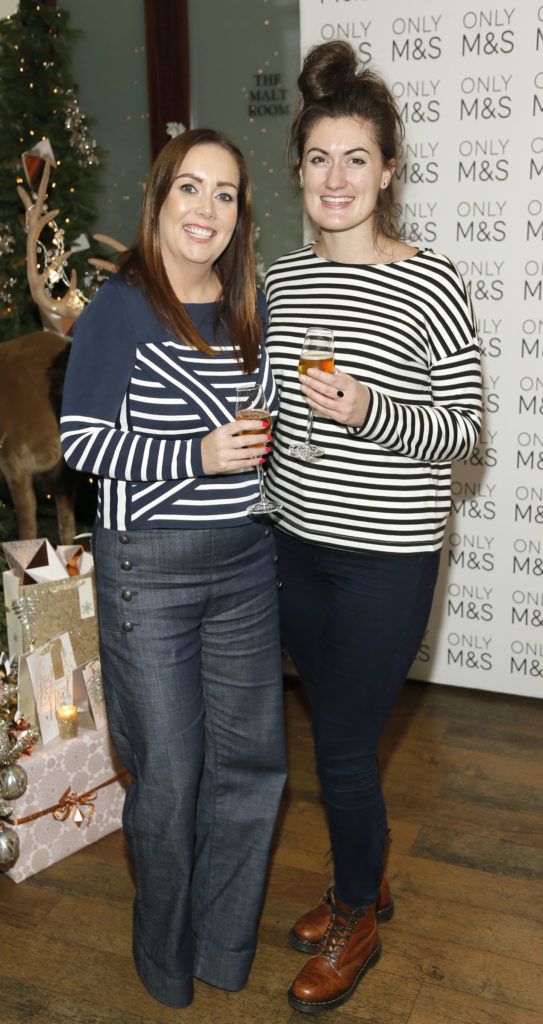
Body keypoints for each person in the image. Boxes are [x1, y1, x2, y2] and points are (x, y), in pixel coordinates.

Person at [264, 42, 482, 1015]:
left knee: (346, 747)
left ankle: (357, 912)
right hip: (292, 547)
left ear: (388, 169)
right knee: (329, 734)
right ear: (299, 168)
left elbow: (463, 431)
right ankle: (369, 874)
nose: (337, 178)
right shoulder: (279, 281)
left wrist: (371, 411)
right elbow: (269, 400)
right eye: (319, 158)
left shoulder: (433, 283)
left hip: (387, 560)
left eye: (357, 158)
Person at [60, 128, 286, 1010]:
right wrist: (196, 454)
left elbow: (254, 433)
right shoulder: (122, 307)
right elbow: (82, 441)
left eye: (225, 194)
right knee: (171, 775)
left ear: (239, 216)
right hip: (146, 575)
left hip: (242, 567)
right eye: (189, 189)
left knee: (253, 765)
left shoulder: (243, 305)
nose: (206, 209)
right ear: (157, 201)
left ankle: (223, 948)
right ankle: (164, 958)